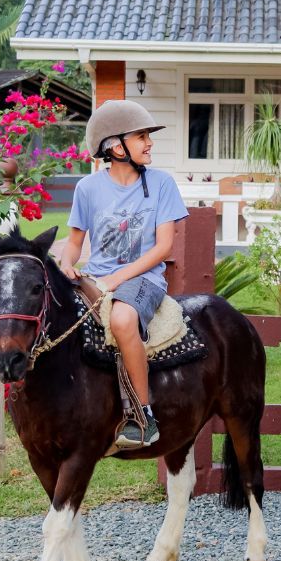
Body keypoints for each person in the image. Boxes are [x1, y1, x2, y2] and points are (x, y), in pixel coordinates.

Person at [59, 99, 188, 448]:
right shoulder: (87, 189)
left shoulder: (162, 184)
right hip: (95, 278)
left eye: (149, 136)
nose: (150, 143)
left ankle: (142, 417)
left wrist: (116, 280)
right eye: (142, 135)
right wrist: (67, 263)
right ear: (116, 146)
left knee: (122, 319)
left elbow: (164, 248)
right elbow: (74, 243)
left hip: (144, 279)